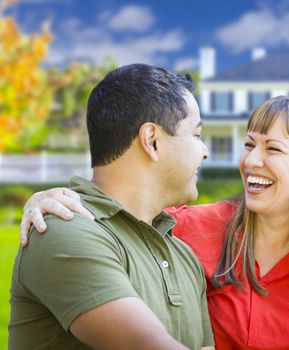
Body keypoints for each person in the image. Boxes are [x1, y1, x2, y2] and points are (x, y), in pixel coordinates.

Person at [20, 96, 289, 349]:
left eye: (273, 149)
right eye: (249, 144)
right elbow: (123, 214)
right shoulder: (191, 228)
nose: (252, 161)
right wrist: (54, 198)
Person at [10, 64, 215, 349]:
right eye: (195, 135)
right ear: (152, 141)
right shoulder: (61, 229)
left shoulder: (183, 257)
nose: (204, 151)